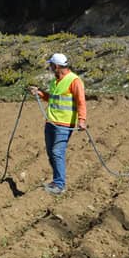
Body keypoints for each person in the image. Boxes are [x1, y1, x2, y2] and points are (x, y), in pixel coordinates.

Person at [28, 53, 87, 195]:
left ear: (56, 66)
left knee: (57, 152)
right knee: (50, 153)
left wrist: (82, 120)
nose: (49, 67)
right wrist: (40, 93)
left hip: (64, 125)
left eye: (51, 65)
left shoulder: (74, 81)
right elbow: (53, 99)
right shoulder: (55, 81)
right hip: (51, 122)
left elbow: (81, 101)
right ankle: (56, 181)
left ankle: (60, 185)